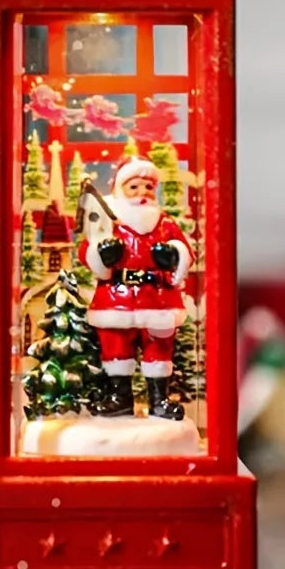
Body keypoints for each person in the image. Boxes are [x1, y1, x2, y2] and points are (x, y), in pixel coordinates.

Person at [79, 157, 192, 420]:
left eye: (148, 187)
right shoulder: (110, 223)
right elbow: (88, 249)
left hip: (158, 298)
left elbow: (186, 251)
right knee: (115, 348)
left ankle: (159, 400)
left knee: (158, 351)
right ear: (120, 190)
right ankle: (120, 398)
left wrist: (174, 255)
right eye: (134, 187)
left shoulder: (165, 224)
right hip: (116, 297)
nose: (143, 193)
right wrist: (102, 254)